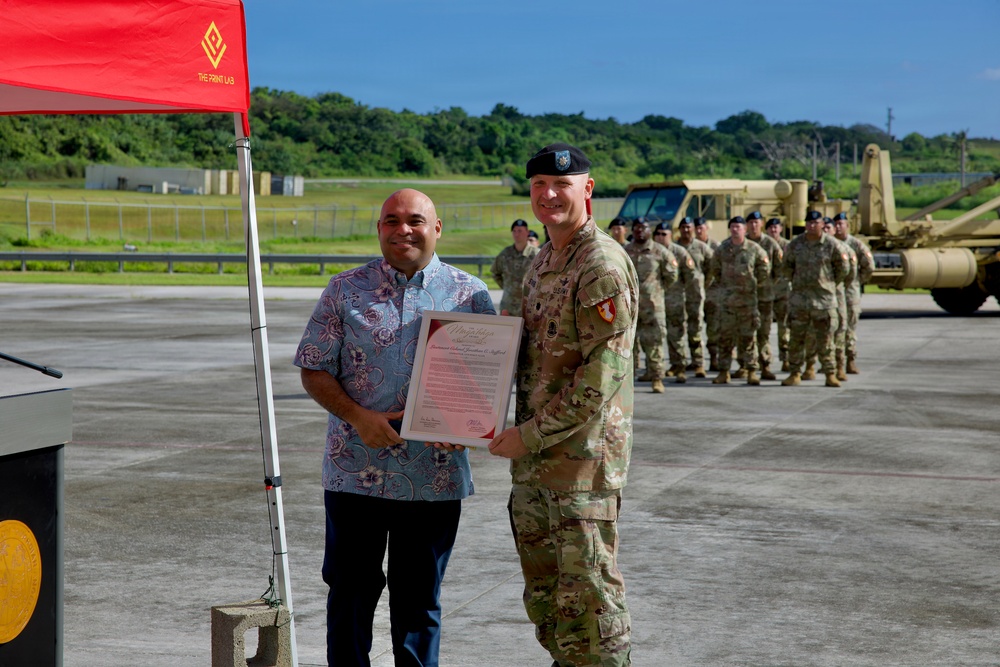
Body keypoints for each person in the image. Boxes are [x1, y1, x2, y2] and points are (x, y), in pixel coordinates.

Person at [295, 188, 496, 667]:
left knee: (419, 603)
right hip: (354, 472)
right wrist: (357, 416)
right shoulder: (344, 289)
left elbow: (489, 379)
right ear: (379, 227)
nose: (402, 229)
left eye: (415, 220)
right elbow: (313, 366)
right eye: (391, 220)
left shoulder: (471, 295)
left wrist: (468, 425)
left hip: (434, 477)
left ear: (437, 228)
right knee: (349, 596)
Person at [488, 142, 638, 667]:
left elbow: (602, 375)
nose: (548, 194)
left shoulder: (599, 265)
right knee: (550, 600)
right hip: (537, 465)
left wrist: (526, 435)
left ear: (588, 190)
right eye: (538, 186)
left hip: (580, 466)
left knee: (590, 604)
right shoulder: (543, 260)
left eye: (562, 185)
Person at [781, 210, 850, 387]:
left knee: (826, 341)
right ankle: (795, 373)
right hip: (800, 301)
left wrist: (828, 284)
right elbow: (787, 267)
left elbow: (843, 269)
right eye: (809, 223)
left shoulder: (832, 245)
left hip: (823, 301)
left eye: (815, 223)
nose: (812, 226)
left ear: (822, 224)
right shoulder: (796, 244)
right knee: (796, 339)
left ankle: (830, 374)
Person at [705, 216, 770, 385]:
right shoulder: (722, 249)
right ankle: (724, 371)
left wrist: (752, 285)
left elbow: (764, 270)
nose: (735, 230)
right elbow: (715, 270)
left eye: (739, 227)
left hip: (748, 302)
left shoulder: (754, 249)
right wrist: (727, 288)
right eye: (733, 227)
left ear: (745, 229)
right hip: (727, 303)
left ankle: (751, 371)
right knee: (725, 338)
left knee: (748, 338)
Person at [626, 217, 678, 392]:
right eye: (636, 228)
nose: (640, 231)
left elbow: (671, 276)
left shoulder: (660, 251)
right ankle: (628, 381)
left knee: (654, 343)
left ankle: (656, 378)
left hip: (653, 306)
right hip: (629, 307)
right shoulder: (625, 251)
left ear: (650, 231)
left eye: (644, 228)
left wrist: (656, 290)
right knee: (628, 346)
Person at [652, 221, 694, 382]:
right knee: (658, 335)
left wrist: (680, 289)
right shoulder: (653, 252)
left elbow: (690, 274)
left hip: (674, 299)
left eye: (664, 234)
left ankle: (680, 366)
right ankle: (664, 367)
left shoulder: (679, 252)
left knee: (676, 334)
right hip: (655, 302)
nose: (661, 237)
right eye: (658, 234)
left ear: (671, 235)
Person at [832, 212, 873, 374]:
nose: (838, 227)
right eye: (836, 224)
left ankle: (850, 360)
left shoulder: (855, 245)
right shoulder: (831, 244)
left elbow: (869, 266)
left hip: (850, 294)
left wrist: (857, 282)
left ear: (847, 226)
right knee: (835, 328)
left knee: (849, 329)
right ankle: (835, 361)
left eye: (841, 224)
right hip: (835, 294)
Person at [745, 211, 784, 380]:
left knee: (763, 333)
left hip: (765, 297)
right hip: (744, 297)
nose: (754, 225)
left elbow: (779, 270)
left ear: (761, 224)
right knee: (745, 334)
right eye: (751, 222)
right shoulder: (741, 243)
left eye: (757, 222)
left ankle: (765, 365)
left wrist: (767, 285)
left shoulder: (770, 244)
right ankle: (745, 366)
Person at [676, 216, 711, 377]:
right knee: (676, 330)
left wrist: (704, 283)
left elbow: (712, 267)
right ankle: (679, 364)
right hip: (676, 296)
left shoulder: (702, 248)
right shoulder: (674, 248)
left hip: (696, 295)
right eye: (683, 227)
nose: (686, 230)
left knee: (695, 329)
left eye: (688, 227)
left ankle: (698, 363)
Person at [491, 218, 541, 316]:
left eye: (520, 231)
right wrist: (508, 287)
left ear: (527, 232)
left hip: (529, 305)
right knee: (506, 331)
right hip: (508, 305)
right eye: (514, 231)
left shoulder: (536, 254)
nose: (517, 234)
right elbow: (495, 273)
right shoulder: (505, 254)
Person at [695, 217, 723, 370]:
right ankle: (696, 360)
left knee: (713, 327)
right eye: (697, 228)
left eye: (702, 228)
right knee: (695, 328)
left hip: (712, 294)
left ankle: (714, 358)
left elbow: (716, 270)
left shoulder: (716, 247)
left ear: (707, 228)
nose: (699, 230)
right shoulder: (690, 246)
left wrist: (706, 285)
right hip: (695, 295)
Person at [765, 218, 792, 371]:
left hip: (783, 293)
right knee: (764, 328)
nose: (773, 230)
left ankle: (786, 359)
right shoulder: (761, 245)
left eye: (776, 227)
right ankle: (765, 361)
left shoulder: (788, 246)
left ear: (781, 229)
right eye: (770, 228)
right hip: (765, 293)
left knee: (784, 328)